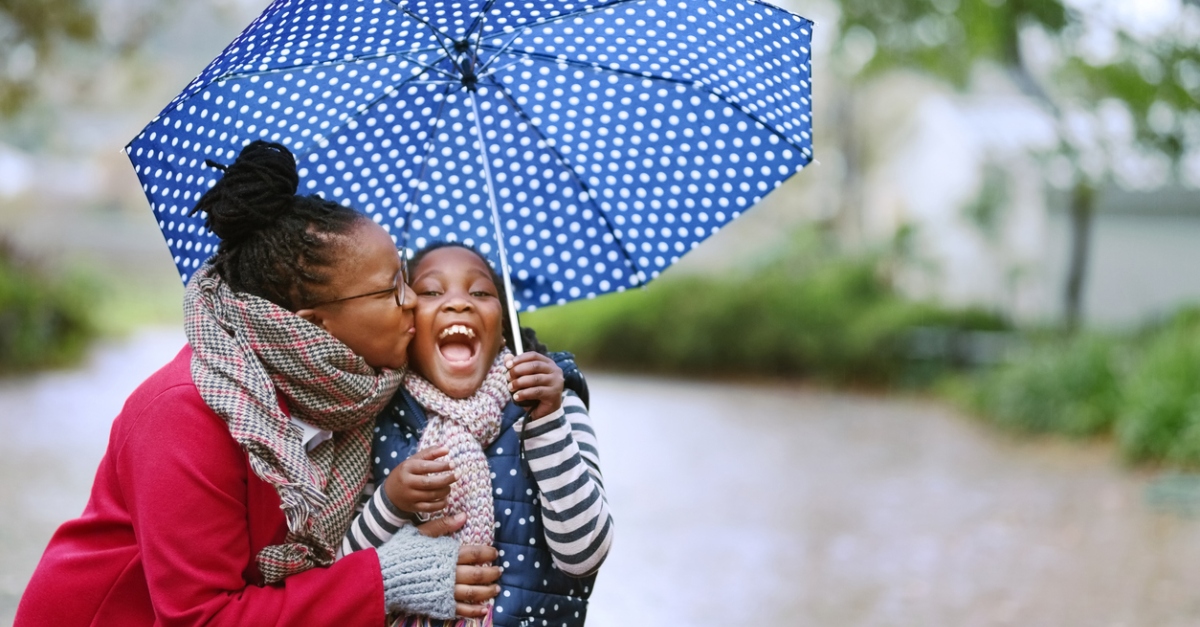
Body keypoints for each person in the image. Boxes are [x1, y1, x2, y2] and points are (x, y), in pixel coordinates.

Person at [14, 142, 501, 626]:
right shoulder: (183, 416)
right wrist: (385, 579)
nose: (414, 300)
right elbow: (202, 619)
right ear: (317, 326)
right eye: (393, 286)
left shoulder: (353, 389)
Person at [341, 243, 614, 627]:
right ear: (408, 325)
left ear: (504, 326)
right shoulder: (376, 419)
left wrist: (548, 422)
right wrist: (391, 501)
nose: (458, 303)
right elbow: (344, 574)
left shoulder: (557, 405)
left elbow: (585, 554)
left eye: (481, 292)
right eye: (432, 291)